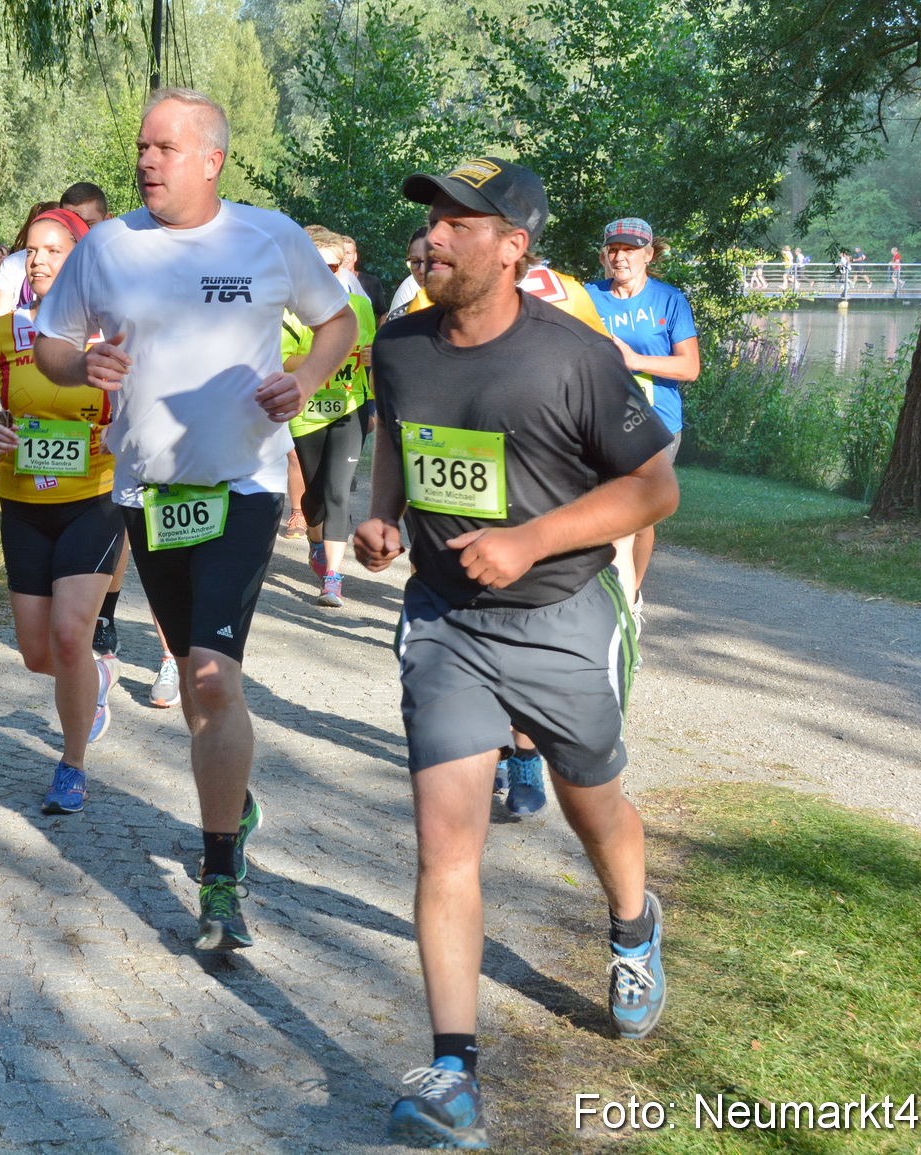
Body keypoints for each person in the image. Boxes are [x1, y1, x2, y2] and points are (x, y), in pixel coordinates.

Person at [355, 157, 677, 1148]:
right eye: (431, 221)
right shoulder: (400, 343)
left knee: (592, 803)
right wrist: (376, 515)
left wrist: (531, 541)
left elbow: (654, 488)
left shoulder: (573, 356)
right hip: (446, 623)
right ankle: (451, 1071)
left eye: (460, 223)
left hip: (557, 614)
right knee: (444, 843)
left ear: (513, 246)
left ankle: (632, 924)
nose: (434, 237)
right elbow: (393, 439)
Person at [35, 87, 356, 951]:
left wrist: (309, 379)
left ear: (212, 159)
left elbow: (338, 319)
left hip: (243, 484)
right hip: (150, 493)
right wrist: (81, 366)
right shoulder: (106, 246)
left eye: (165, 149)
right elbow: (48, 342)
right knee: (193, 670)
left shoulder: (269, 236)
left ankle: (220, 880)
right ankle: (235, 802)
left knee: (211, 674)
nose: (146, 161)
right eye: (142, 146)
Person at [0, 207, 123, 814]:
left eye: (54, 251)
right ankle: (92, 679)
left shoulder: (108, 333)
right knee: (38, 655)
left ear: (79, 260)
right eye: (31, 250)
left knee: (68, 633)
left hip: (93, 499)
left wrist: (123, 436)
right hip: (23, 501)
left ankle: (72, 762)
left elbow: (144, 408)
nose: (38, 261)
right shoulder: (6, 333)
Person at [584, 218, 698, 624]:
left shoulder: (670, 301)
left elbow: (690, 367)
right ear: (604, 254)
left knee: (639, 514)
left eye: (630, 249)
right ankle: (606, 597)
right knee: (605, 510)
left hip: (657, 422)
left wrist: (634, 361)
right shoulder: (587, 297)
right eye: (613, 249)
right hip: (599, 419)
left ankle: (629, 597)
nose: (620, 256)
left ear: (648, 254)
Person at [282, 228, 376, 607]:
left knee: (338, 490)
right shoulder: (289, 309)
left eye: (334, 266)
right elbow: (284, 361)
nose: (326, 274)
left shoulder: (361, 307)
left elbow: (372, 352)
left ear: (343, 267)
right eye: (317, 267)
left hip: (350, 405)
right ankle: (315, 540)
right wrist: (329, 355)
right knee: (315, 497)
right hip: (308, 412)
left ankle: (333, 579)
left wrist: (373, 358)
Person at [0, 184, 110, 326]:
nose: (38, 260)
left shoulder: (125, 272)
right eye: (31, 251)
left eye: (88, 224)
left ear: (107, 220)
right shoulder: (16, 263)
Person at [386, 226, 433, 320]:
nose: (422, 270)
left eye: (429, 260)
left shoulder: (467, 307)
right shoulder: (399, 319)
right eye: (415, 262)